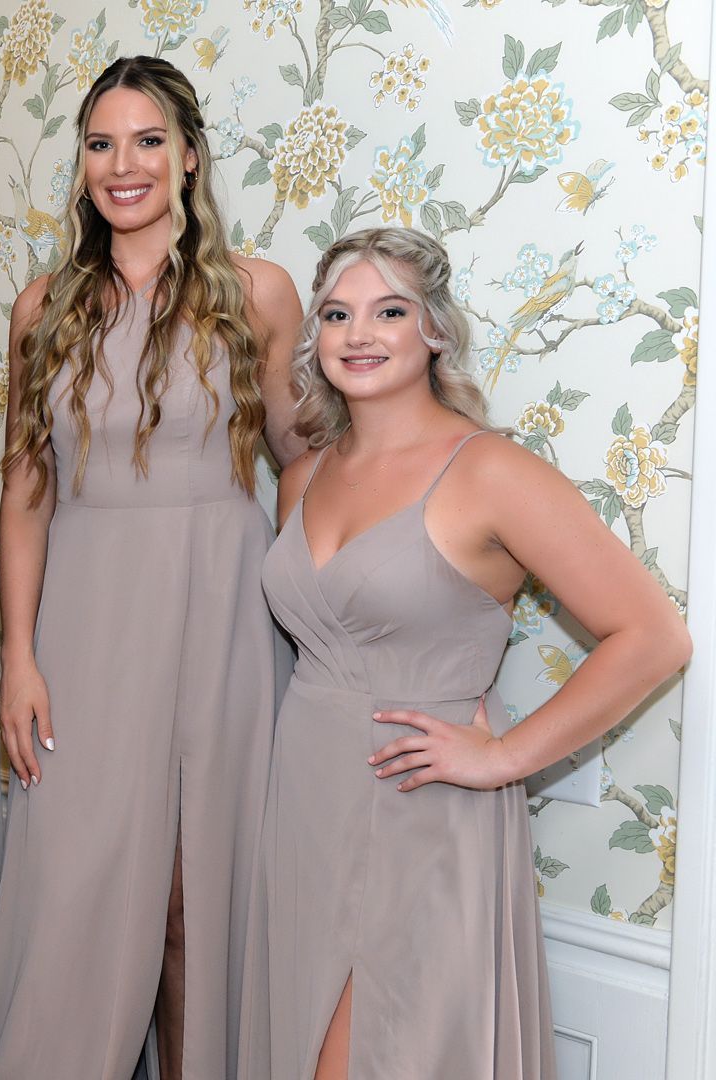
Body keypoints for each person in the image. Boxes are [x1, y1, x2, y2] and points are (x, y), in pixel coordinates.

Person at [240, 226, 690, 1079]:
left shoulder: (488, 472)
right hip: (303, 803)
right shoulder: (304, 475)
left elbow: (653, 637)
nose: (359, 333)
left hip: (422, 807)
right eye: (337, 313)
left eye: (390, 310)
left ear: (435, 331)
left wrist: (504, 757)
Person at [0, 55, 305, 1080]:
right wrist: (17, 657)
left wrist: (302, 613)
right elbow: (26, 491)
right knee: (76, 882)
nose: (126, 165)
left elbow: (304, 463)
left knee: (191, 898)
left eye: (149, 141)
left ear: (190, 158)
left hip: (223, 616)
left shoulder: (260, 293)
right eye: (102, 143)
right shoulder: (41, 310)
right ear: (80, 167)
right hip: (85, 620)